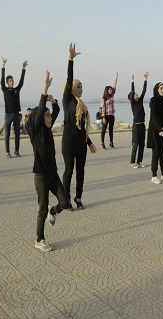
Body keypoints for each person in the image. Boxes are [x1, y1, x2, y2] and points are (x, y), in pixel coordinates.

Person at [30, 71, 70, 252]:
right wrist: (45, 88)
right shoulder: (36, 131)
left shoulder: (47, 129)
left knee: (64, 202)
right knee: (42, 209)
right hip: (40, 175)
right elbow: (39, 110)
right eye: (46, 116)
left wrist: (53, 103)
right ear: (39, 118)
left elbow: (57, 110)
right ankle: (40, 239)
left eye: (49, 116)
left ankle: (54, 213)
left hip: (52, 174)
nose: (49, 118)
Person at [62, 43, 97, 209]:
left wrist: (89, 142)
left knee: (81, 172)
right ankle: (66, 199)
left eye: (82, 86)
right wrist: (71, 59)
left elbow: (83, 127)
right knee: (69, 171)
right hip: (68, 143)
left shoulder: (82, 106)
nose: (80, 89)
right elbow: (69, 79)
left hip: (80, 144)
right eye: (78, 86)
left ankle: (78, 198)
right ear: (72, 89)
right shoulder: (67, 100)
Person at [1, 57, 28, 158]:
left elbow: (21, 81)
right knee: (7, 135)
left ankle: (16, 151)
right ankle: (7, 151)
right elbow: (2, 79)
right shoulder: (5, 90)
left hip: (17, 114)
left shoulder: (17, 89)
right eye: (10, 81)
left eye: (12, 81)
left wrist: (23, 68)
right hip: (8, 115)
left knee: (17, 134)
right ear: (7, 82)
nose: (12, 82)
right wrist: (3, 65)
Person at [147, 82, 163, 184]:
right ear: (157, 89)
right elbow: (153, 116)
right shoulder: (153, 100)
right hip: (155, 129)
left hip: (162, 129)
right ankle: (153, 176)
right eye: (161, 88)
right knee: (156, 153)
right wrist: (159, 130)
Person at [128, 72, 148, 168]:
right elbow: (132, 91)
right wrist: (132, 81)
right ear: (132, 98)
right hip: (136, 125)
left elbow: (144, 91)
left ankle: (139, 161)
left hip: (142, 125)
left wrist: (145, 80)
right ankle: (132, 161)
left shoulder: (140, 102)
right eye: (135, 94)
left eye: (136, 94)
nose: (137, 95)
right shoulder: (133, 104)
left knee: (142, 144)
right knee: (135, 144)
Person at [101, 72, 118, 149]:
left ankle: (111, 143)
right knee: (104, 130)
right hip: (106, 116)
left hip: (112, 115)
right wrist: (103, 117)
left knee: (111, 130)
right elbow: (103, 108)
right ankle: (102, 143)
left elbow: (115, 86)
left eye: (111, 89)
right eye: (110, 89)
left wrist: (116, 78)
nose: (111, 90)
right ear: (107, 90)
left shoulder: (112, 96)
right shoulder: (103, 99)